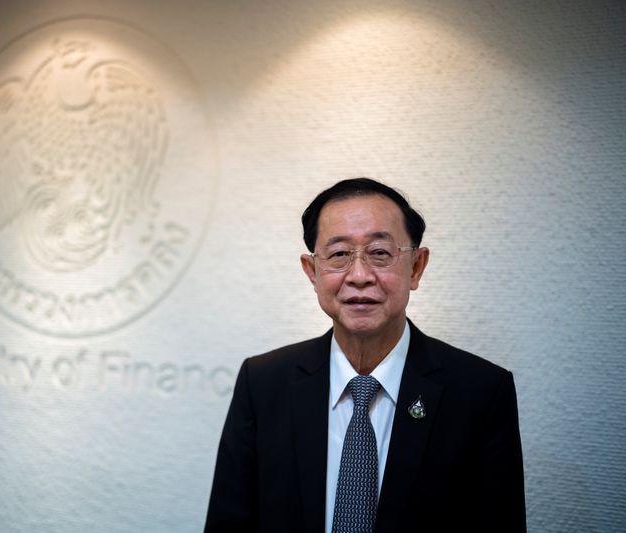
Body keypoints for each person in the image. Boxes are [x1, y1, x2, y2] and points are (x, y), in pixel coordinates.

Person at [204, 178, 525, 532]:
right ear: (312, 271)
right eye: (339, 255)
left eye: (380, 254)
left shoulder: (480, 392)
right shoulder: (263, 382)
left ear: (416, 267)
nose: (359, 276)